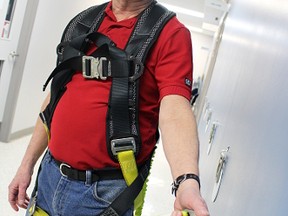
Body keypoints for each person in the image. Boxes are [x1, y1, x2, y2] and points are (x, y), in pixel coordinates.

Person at [8, 0, 210, 215]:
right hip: (49, 175)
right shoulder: (85, 21)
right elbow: (55, 100)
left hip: (104, 193)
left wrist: (187, 180)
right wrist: (26, 165)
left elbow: (175, 108)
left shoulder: (171, 34)